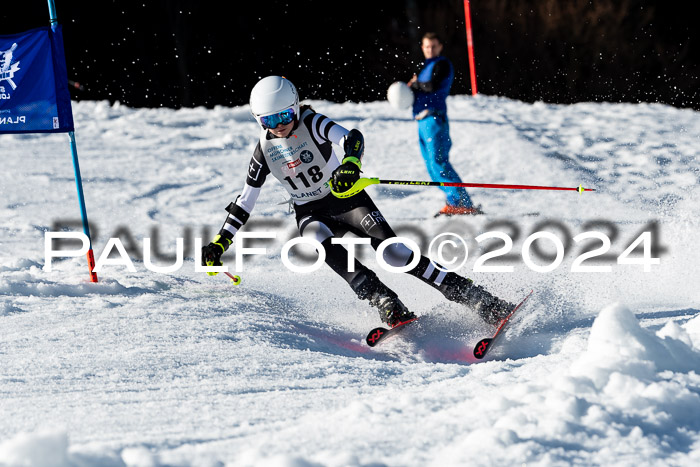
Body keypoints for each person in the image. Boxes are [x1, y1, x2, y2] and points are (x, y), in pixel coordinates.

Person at [201, 75, 512, 327]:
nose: (279, 124)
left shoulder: (312, 122)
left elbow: (352, 137)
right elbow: (244, 201)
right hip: (311, 212)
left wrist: (350, 164)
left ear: (295, 107)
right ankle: (383, 299)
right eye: (269, 120)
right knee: (314, 236)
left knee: (395, 254)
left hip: (347, 199)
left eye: (284, 115)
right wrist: (220, 242)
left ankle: (478, 298)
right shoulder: (264, 150)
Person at [408, 32, 481, 217]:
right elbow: (421, 88)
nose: (430, 49)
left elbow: (431, 86)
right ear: (422, 47)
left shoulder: (442, 64)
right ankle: (453, 202)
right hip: (421, 120)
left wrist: (416, 85)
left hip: (434, 119)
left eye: (433, 46)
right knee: (432, 166)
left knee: (439, 162)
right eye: (426, 46)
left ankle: (462, 203)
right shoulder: (425, 66)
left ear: (440, 47)